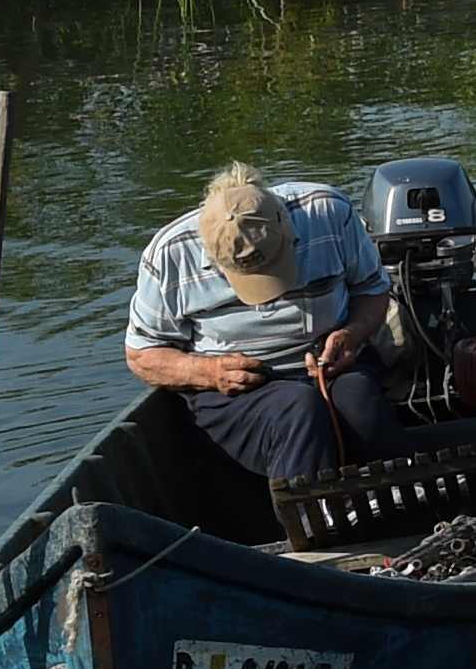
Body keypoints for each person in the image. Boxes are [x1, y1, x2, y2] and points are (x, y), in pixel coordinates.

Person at [126, 164, 394, 484]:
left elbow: (373, 291)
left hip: (335, 365)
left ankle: (400, 505)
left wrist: (351, 335)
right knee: (298, 411)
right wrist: (211, 373)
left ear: (285, 224)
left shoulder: (328, 212)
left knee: (361, 404)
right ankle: (313, 526)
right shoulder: (169, 253)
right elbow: (142, 355)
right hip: (238, 390)